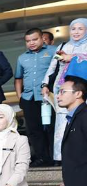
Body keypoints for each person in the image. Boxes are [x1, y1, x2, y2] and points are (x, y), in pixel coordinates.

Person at [49, 72, 87, 186]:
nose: (58, 95)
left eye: (63, 91)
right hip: (78, 179)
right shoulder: (74, 117)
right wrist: (69, 178)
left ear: (78, 94)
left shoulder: (85, 115)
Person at [43, 18, 87, 162]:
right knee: (62, 121)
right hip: (62, 88)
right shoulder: (63, 45)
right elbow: (53, 66)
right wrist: (45, 85)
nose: (76, 32)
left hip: (83, 89)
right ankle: (61, 157)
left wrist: (71, 58)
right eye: (73, 29)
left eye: (80, 28)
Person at [14, 28, 57, 166]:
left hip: (48, 97)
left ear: (42, 39)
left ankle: (55, 157)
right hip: (29, 98)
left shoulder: (53, 51)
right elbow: (18, 78)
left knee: (52, 128)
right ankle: (41, 158)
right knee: (33, 130)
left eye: (34, 39)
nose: (31, 43)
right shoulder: (22, 57)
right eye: (28, 41)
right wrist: (20, 97)